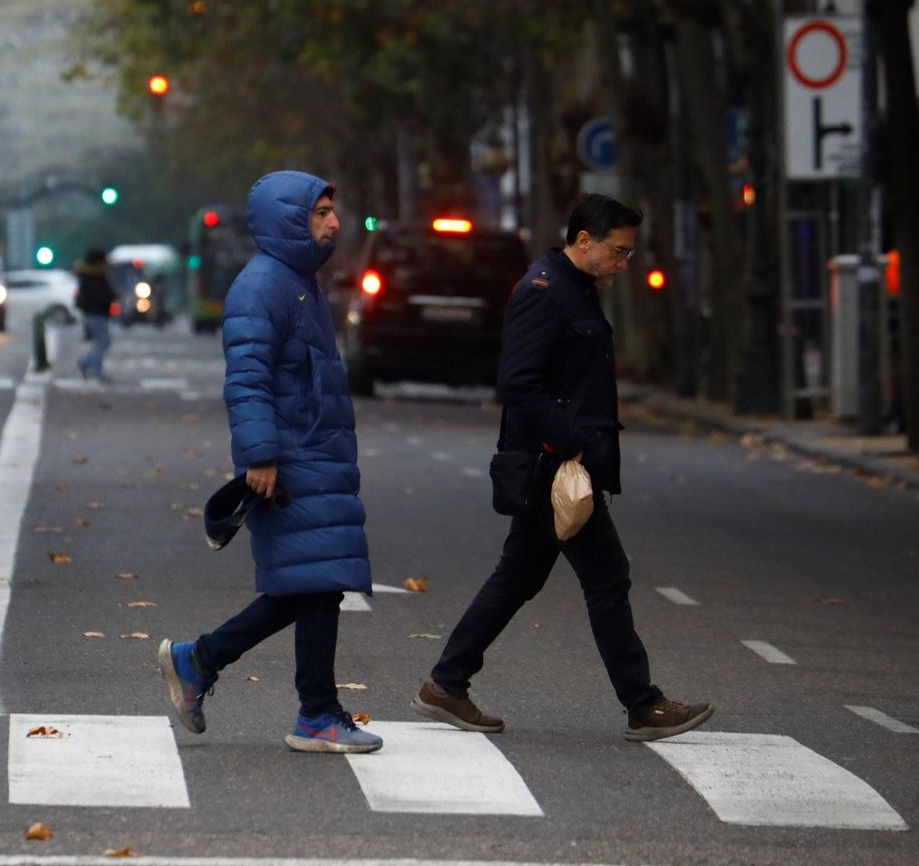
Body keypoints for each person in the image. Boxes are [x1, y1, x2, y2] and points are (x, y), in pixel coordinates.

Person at [411, 194, 713, 743]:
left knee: (519, 576)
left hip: (558, 464)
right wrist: (573, 445)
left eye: (629, 252)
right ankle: (642, 705)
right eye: (619, 251)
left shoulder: (575, 289)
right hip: (554, 468)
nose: (624, 262)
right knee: (606, 576)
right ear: (584, 241)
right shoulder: (545, 293)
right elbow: (518, 383)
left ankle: (446, 683)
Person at [158, 171, 381, 754]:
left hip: (315, 453)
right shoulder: (262, 287)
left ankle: (201, 661)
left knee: (312, 583)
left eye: (332, 211)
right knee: (318, 581)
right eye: (320, 213)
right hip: (293, 457)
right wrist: (259, 454)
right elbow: (247, 378)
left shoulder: (298, 282)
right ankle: (315, 713)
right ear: (288, 219)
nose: (334, 223)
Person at [74, 246, 115, 380]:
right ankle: (90, 366)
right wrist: (112, 295)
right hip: (96, 312)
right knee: (103, 341)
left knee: (102, 341)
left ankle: (89, 364)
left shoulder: (88, 275)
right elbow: (100, 295)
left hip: (92, 312)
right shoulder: (94, 276)